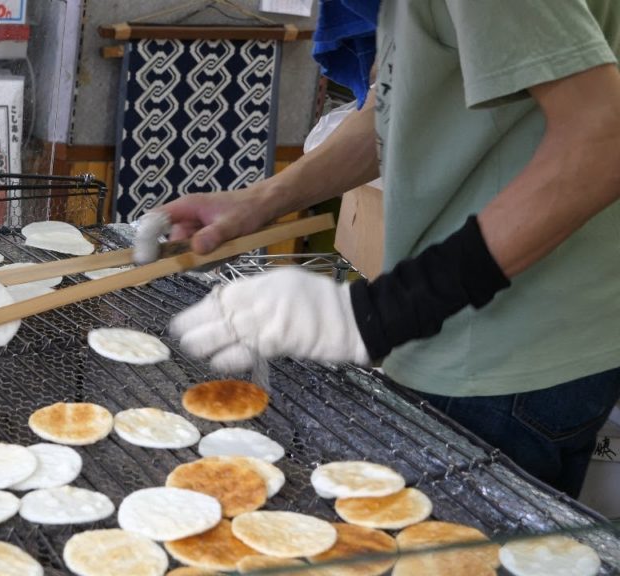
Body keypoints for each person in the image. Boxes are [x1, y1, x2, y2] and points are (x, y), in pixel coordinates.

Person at [162, 0, 620, 498]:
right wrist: (259, 201)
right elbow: (399, 110)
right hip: (520, 331)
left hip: (501, 350)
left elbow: (603, 140)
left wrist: (374, 314)